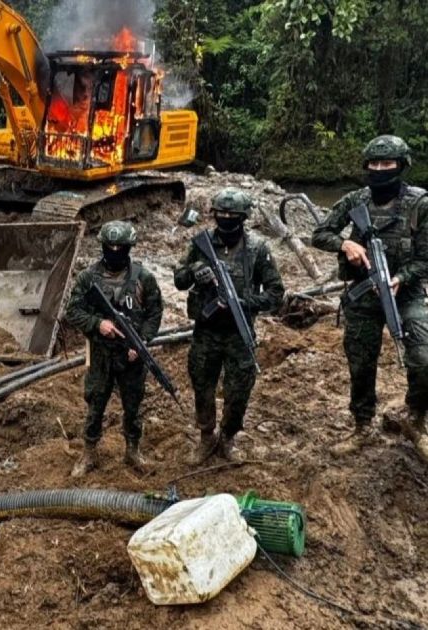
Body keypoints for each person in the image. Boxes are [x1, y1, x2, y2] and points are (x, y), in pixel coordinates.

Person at [311, 135, 428, 460]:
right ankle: (362, 425)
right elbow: (319, 234)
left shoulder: (420, 204)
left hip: (406, 293)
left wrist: (400, 279)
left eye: (386, 164)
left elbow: (426, 257)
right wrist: (345, 245)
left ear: (401, 166)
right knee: (361, 362)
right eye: (373, 164)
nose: (379, 170)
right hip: (363, 295)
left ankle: (415, 420)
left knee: (423, 360)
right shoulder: (355, 201)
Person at [174, 188, 284, 463]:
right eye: (220, 214)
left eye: (232, 215)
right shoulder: (201, 244)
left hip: (238, 331)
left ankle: (228, 438)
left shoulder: (257, 248)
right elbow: (179, 280)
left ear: (243, 217)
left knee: (239, 389)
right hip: (206, 331)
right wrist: (195, 272)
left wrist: (243, 302)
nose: (225, 219)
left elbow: (275, 293)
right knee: (202, 384)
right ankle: (206, 436)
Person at [66, 220, 163, 476]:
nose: (115, 251)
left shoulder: (144, 278)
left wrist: (141, 343)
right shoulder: (89, 278)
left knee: (133, 405)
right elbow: (73, 311)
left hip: (131, 357)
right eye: (110, 246)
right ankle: (88, 453)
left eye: (121, 247)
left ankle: (133, 450)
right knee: (96, 404)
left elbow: (154, 314)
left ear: (129, 247)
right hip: (101, 355)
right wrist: (98, 324)